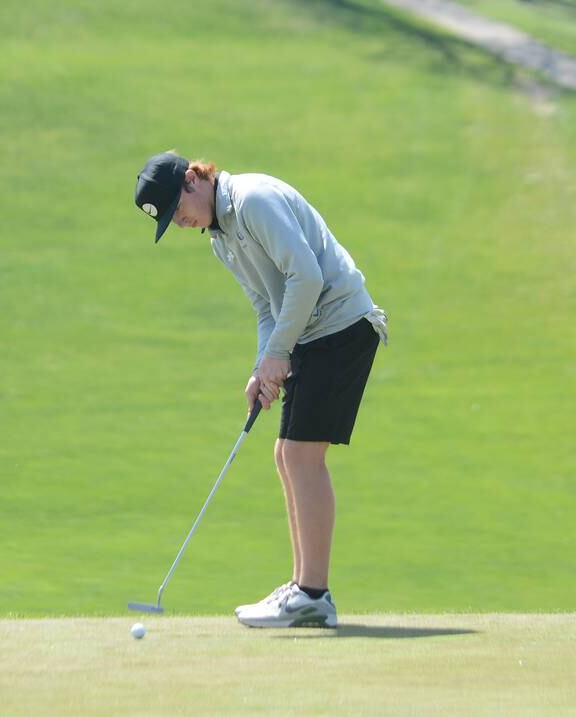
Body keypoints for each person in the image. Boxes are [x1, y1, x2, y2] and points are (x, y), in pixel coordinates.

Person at [134, 152, 387, 628]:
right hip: (312, 335)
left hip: (343, 325)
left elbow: (307, 277)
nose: (181, 223)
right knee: (285, 455)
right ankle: (303, 588)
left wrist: (279, 354)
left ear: (193, 179)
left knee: (300, 457)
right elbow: (265, 306)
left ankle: (312, 594)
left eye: (176, 210)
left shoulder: (252, 200)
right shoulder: (221, 240)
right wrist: (263, 365)